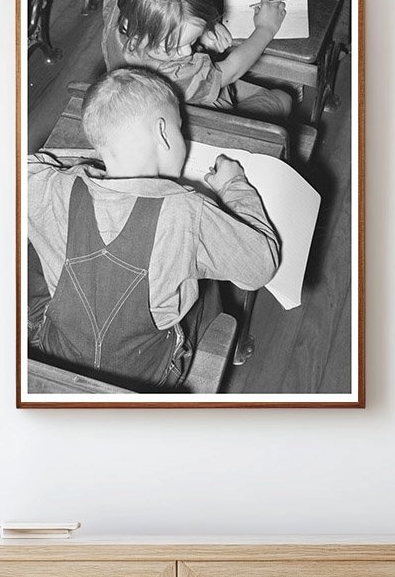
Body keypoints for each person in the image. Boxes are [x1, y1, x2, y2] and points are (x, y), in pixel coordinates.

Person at [27, 67, 279, 391]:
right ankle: (232, 347)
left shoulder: (50, 188)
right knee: (206, 282)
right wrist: (234, 185)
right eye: (180, 129)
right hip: (150, 378)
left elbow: (29, 163)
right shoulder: (187, 211)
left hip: (54, 360)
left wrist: (88, 164)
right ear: (163, 134)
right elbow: (261, 267)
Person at [101, 0, 293, 119]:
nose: (186, 52)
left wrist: (204, 28)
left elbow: (169, 9)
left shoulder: (120, 8)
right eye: (172, 46)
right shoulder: (176, 74)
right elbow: (232, 69)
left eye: (190, 41)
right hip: (204, 119)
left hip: (150, 103)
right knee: (283, 99)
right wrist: (265, 28)